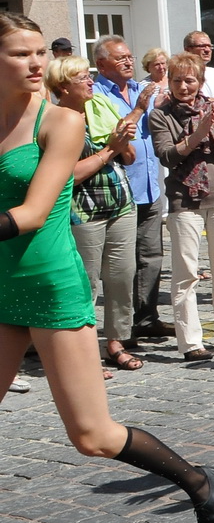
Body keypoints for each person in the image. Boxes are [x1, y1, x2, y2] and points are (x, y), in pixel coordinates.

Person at [0, 13, 214, 523]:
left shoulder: (60, 121)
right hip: (0, 284)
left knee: (93, 435)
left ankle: (199, 481)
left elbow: (32, 212)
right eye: (19, 54)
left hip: (50, 284)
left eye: (39, 53)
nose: (36, 64)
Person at [149, 53, 214, 361]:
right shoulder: (160, 114)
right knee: (186, 272)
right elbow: (166, 156)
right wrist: (195, 137)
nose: (183, 86)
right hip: (184, 197)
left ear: (200, 82)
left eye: (189, 80)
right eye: (177, 80)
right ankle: (191, 342)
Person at [49, 56, 140, 372]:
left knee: (121, 278)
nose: (90, 81)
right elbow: (65, 175)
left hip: (120, 205)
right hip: (83, 213)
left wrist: (124, 139)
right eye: (81, 77)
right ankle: (83, 354)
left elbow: (127, 158)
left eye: (89, 76)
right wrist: (109, 150)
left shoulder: (100, 108)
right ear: (62, 86)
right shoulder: (55, 120)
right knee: (85, 284)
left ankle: (115, 343)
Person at [91, 38, 171, 347]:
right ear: (101, 65)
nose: (128, 61)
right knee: (120, 265)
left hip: (151, 184)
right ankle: (120, 331)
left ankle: (147, 318)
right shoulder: (97, 95)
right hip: (119, 190)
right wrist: (139, 109)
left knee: (151, 255)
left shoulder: (141, 89)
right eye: (120, 57)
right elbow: (115, 135)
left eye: (129, 56)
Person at [183, 32, 214, 106]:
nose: (207, 50)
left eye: (209, 46)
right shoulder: (180, 74)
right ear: (187, 50)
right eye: (202, 46)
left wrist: (207, 100)